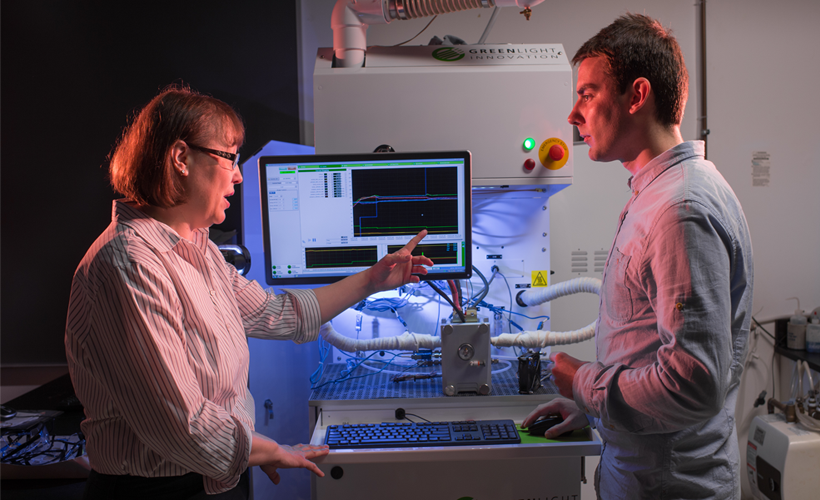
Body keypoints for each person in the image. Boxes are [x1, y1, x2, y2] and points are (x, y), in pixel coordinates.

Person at [64, 84, 434, 499]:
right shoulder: (131, 264)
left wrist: (372, 280)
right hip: (156, 491)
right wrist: (268, 450)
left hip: (213, 475)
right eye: (230, 157)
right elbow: (183, 424)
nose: (238, 175)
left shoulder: (198, 249)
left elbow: (278, 314)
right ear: (181, 158)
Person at [522, 13, 753, 500]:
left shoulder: (680, 210)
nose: (573, 115)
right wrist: (592, 410)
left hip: (670, 486)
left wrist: (585, 383)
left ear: (637, 95)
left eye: (587, 94)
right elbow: (647, 350)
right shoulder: (661, 194)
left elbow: (692, 384)